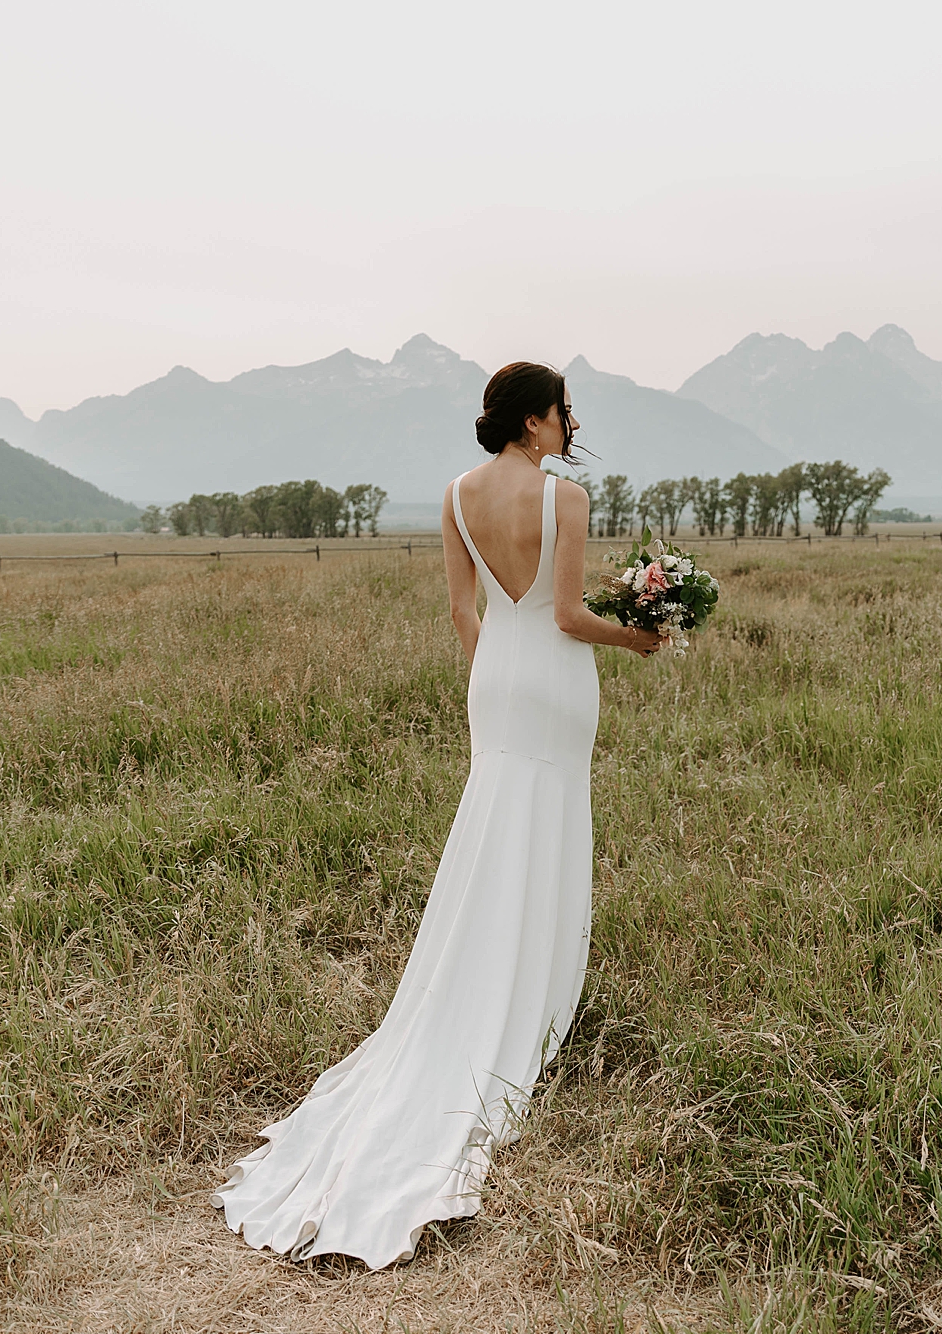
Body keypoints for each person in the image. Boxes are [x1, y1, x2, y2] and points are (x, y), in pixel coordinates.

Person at [213, 363, 661, 1268]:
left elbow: (466, 612)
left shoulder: (455, 496)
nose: (572, 424)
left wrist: (491, 678)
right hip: (556, 681)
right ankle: (529, 996)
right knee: (545, 829)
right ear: (536, 422)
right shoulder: (563, 497)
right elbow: (570, 613)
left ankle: (478, 983)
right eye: (564, 411)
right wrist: (643, 636)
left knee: (495, 824)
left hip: (495, 682)